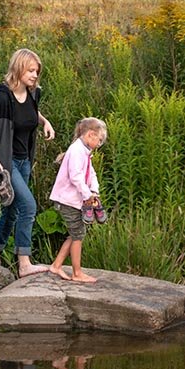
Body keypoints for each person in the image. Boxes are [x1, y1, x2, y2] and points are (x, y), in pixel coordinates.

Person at [0, 48, 56, 279]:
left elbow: (31, 112)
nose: (34, 75)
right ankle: (24, 264)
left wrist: (45, 121)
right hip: (6, 164)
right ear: (18, 68)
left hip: (24, 162)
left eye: (36, 72)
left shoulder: (33, 93)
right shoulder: (2, 97)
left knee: (11, 210)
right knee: (28, 207)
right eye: (30, 70)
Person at [48, 118, 107, 284]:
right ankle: (77, 272)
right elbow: (76, 176)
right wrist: (87, 195)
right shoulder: (77, 151)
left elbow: (92, 173)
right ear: (90, 135)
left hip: (74, 200)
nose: (100, 143)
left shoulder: (84, 152)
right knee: (78, 236)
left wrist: (94, 190)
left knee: (76, 233)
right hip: (68, 200)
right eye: (100, 140)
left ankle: (56, 265)